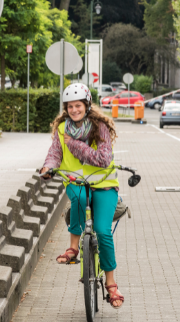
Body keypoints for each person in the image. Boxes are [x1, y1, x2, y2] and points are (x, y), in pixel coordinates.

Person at [39, 83, 124, 309]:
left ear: (87, 105)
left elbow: (103, 159)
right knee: (77, 199)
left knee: (104, 231)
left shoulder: (100, 127)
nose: (74, 110)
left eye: (78, 105)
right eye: (70, 106)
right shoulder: (61, 129)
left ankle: (111, 283)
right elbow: (55, 153)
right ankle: (73, 248)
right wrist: (47, 168)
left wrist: (75, 144)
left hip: (104, 184)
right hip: (76, 181)